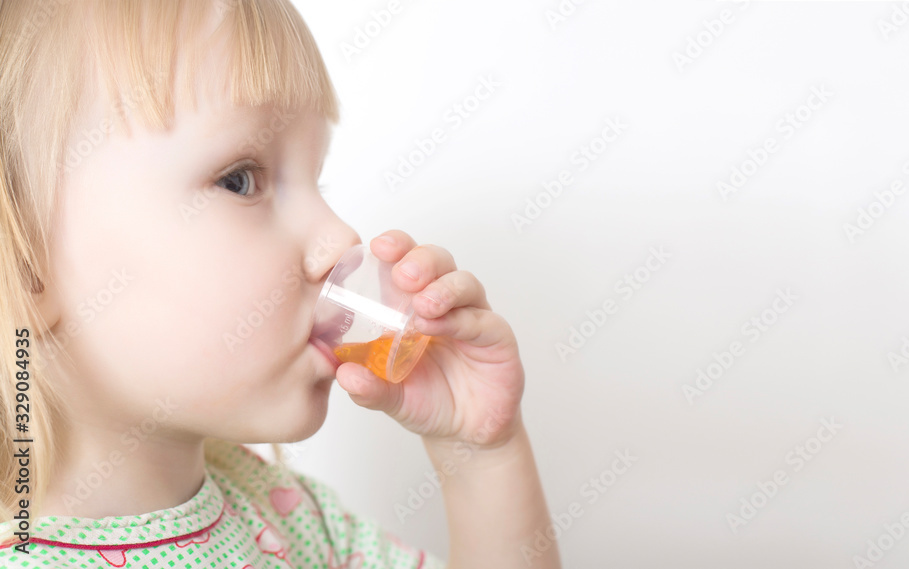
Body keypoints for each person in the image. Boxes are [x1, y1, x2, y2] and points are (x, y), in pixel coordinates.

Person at [0, 1, 561, 567]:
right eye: (241, 179)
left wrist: (480, 455)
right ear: (30, 266)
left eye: (316, 178)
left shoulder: (288, 514)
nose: (342, 237)